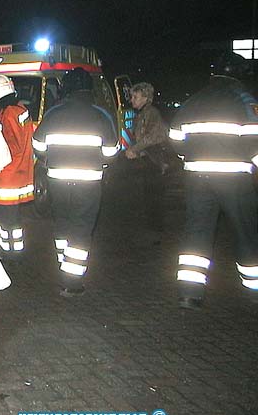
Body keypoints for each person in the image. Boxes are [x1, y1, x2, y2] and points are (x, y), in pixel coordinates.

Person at [168, 56, 258, 310]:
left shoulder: (193, 101)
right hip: (234, 177)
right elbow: (255, 140)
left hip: (197, 176)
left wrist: (190, 157)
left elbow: (174, 136)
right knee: (246, 230)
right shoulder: (244, 101)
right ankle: (254, 288)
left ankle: (189, 292)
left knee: (197, 231)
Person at [32, 67, 119, 296]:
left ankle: (64, 263)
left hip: (57, 179)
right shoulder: (101, 115)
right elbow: (111, 152)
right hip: (88, 181)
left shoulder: (53, 114)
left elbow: (38, 147)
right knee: (81, 227)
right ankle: (71, 281)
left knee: (62, 221)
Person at [0, 75, 35, 256]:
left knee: (3, 219)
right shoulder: (19, 109)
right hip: (14, 174)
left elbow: (11, 145)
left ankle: (7, 254)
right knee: (6, 219)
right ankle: (5, 251)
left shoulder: (9, 112)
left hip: (4, 176)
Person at [124, 82, 170, 231]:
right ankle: (154, 226)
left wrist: (135, 150)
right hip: (150, 158)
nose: (132, 100)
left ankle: (156, 228)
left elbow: (152, 137)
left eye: (135, 97)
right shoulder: (144, 114)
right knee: (150, 194)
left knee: (154, 194)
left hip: (154, 159)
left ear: (145, 98)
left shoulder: (151, 114)